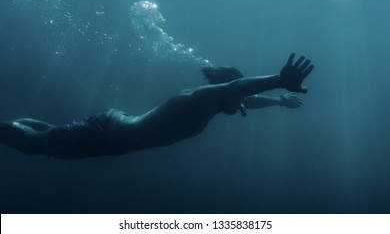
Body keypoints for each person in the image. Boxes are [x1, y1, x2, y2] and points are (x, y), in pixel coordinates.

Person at [0, 53, 314, 159]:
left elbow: (244, 97)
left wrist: (278, 101)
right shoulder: (196, 99)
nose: (241, 104)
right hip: (105, 134)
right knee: (31, 146)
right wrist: (277, 79)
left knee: (48, 137)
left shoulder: (216, 104)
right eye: (238, 98)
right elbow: (236, 89)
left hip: (112, 136)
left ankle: (17, 122)